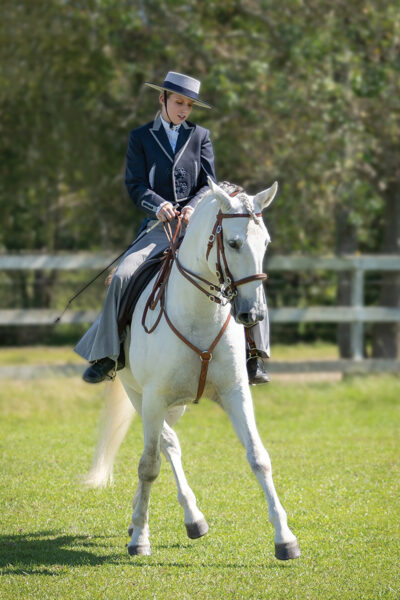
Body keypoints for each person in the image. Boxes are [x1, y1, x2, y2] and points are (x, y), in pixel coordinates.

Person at [75, 71, 270, 384]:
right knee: (124, 275)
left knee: (246, 267)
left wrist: (192, 207)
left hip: (196, 225)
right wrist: (159, 205)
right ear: (162, 98)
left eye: (189, 105)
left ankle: (254, 354)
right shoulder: (140, 137)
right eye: (179, 102)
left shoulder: (200, 137)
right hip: (158, 226)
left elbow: (210, 184)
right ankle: (108, 354)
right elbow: (135, 185)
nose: (184, 110)